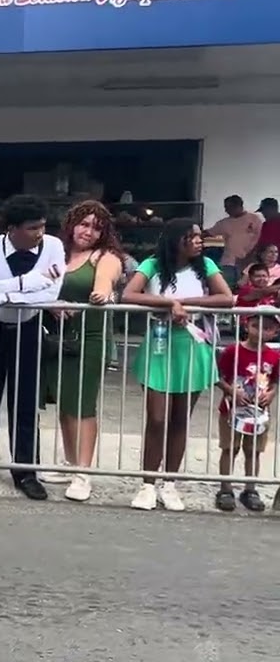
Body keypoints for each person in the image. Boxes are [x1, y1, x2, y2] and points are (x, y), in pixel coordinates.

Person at [121, 219, 233, 511]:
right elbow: (129, 294)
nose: (199, 241)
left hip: (193, 346)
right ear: (176, 239)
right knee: (157, 418)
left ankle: (169, 483)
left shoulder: (206, 265)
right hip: (160, 345)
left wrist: (184, 301)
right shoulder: (153, 264)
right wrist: (167, 303)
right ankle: (147, 484)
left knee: (181, 419)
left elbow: (227, 298)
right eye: (192, 236)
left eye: (200, 237)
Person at [0, 194, 65, 501]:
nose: (39, 233)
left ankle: (25, 471)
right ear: (12, 229)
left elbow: (50, 292)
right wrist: (24, 283)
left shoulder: (54, 247)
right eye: (33, 228)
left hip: (29, 326)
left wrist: (3, 293)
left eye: (43, 226)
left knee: (25, 400)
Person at [39, 201, 123, 503]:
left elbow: (106, 281)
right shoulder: (58, 254)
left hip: (90, 339)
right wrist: (49, 301)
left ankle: (83, 473)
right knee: (64, 402)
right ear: (72, 223)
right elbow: (40, 286)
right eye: (84, 223)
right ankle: (70, 463)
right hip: (58, 339)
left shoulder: (106, 256)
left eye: (96, 227)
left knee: (83, 405)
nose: (88, 231)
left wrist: (103, 293)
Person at [213, 313, 280, 512]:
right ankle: (225, 488)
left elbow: (274, 381)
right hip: (231, 409)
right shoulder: (232, 351)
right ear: (246, 326)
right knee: (229, 448)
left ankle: (250, 489)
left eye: (268, 328)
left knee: (253, 452)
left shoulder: (274, 356)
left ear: (275, 331)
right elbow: (217, 376)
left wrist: (271, 394)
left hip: (259, 413)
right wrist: (230, 390)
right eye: (256, 326)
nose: (261, 331)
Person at [207, 194, 260, 288]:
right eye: (225, 207)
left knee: (245, 288)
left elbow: (260, 238)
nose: (226, 210)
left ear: (238, 206)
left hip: (249, 262)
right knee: (227, 288)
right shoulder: (224, 223)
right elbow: (208, 233)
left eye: (228, 207)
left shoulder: (254, 219)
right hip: (228, 262)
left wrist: (250, 256)